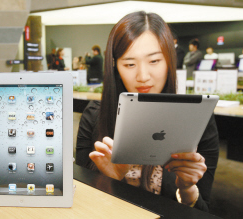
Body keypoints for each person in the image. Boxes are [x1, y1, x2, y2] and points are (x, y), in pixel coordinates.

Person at [76, 11, 219, 212]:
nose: (143, 76)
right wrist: (109, 178)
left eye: (154, 61)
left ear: (169, 61)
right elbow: (81, 207)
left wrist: (187, 189)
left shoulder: (198, 118)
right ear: (115, 67)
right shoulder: (94, 115)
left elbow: (204, 210)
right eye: (130, 64)